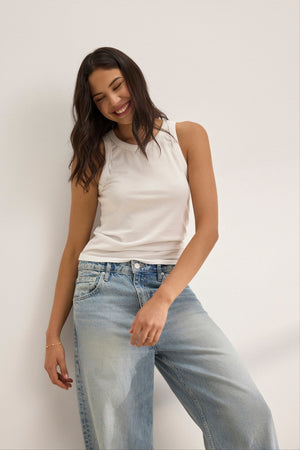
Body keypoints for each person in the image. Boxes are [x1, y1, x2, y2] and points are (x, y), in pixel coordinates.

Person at [44, 46, 280, 450]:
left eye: (117, 87)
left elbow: (208, 230)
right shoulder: (95, 154)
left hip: (170, 291)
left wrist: (163, 299)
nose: (114, 102)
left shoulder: (187, 136)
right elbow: (73, 249)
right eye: (100, 98)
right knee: (122, 438)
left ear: (134, 78)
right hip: (103, 289)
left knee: (246, 413)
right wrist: (52, 337)